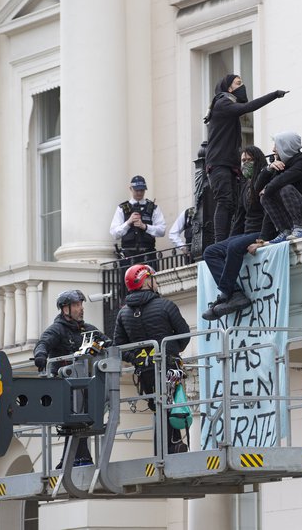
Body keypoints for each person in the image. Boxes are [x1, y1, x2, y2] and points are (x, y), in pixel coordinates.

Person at [114, 264, 191, 454]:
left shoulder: (123, 313)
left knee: (157, 407)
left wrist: (137, 359)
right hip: (168, 365)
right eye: (153, 278)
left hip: (145, 371)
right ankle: (172, 448)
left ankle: (162, 450)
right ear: (146, 281)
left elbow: (119, 346)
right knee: (172, 406)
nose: (156, 282)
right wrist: (172, 351)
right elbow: (184, 333)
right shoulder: (165, 306)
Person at [204, 74, 287, 243]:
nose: (243, 87)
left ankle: (226, 240)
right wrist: (274, 94)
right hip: (220, 164)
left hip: (226, 164)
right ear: (229, 88)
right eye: (238, 83)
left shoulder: (222, 104)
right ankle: (220, 242)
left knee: (232, 204)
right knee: (225, 201)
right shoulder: (222, 102)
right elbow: (248, 107)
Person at [34, 290, 109, 467]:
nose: (80, 308)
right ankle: (77, 459)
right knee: (75, 420)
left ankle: (73, 459)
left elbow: (108, 343)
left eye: (81, 304)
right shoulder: (57, 330)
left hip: (85, 386)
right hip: (64, 386)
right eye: (76, 305)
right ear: (64, 309)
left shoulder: (89, 330)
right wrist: (40, 356)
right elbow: (43, 343)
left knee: (82, 419)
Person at [201, 146, 273, 321]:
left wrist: (262, 238)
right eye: (243, 161)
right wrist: (225, 242)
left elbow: (269, 213)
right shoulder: (245, 186)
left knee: (233, 246)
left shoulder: (265, 180)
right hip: (245, 233)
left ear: (258, 161)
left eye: (249, 160)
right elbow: (240, 218)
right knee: (211, 252)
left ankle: (225, 293)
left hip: (260, 232)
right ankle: (234, 293)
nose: (245, 164)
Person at [260, 131, 302, 244]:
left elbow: (282, 180)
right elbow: (258, 190)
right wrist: (268, 169)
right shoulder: (281, 165)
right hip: (291, 223)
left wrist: (267, 188)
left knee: (285, 188)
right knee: (265, 196)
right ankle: (285, 231)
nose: (273, 150)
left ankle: (300, 229)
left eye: (276, 146)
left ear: (286, 146)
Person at [110, 175, 167, 259]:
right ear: (131, 189)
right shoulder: (122, 208)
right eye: (137, 190)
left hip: (148, 254)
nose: (139, 193)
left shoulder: (153, 208)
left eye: (142, 190)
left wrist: (145, 227)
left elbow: (162, 231)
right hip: (128, 255)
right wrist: (128, 222)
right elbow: (114, 234)